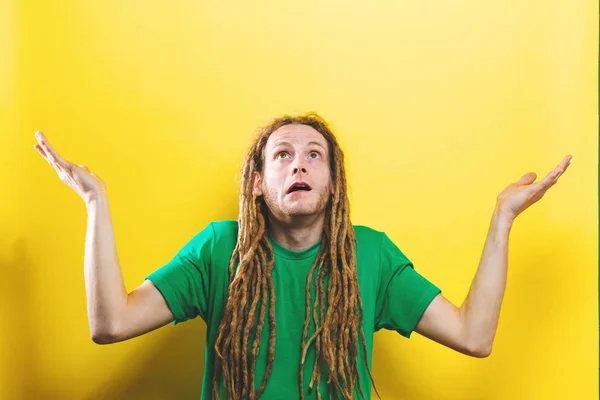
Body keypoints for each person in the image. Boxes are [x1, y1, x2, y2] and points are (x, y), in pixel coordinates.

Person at [33, 113, 571, 400]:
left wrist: (503, 218)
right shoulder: (220, 250)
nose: (299, 165)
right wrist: (94, 202)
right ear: (259, 183)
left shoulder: (373, 256)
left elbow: (474, 337)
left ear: (333, 185)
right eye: (283, 156)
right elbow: (110, 324)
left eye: (315, 156)